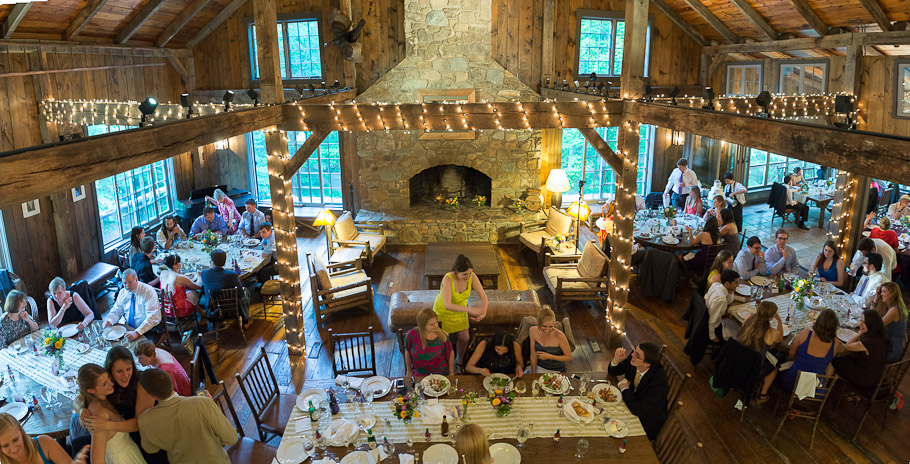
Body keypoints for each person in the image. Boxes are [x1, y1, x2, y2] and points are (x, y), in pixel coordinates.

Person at [80, 346, 164, 464]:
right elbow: (80, 395)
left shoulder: (142, 383)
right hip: (125, 440)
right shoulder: (107, 384)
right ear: (110, 371)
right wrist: (80, 409)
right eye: (119, 371)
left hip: (148, 438)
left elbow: (140, 423)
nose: (125, 375)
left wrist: (106, 425)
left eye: (128, 369)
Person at [137, 368, 236, 463]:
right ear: (171, 382)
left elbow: (150, 449)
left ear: (151, 395)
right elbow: (231, 438)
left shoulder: (144, 420)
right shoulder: (202, 403)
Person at [74, 363, 146, 464]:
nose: (111, 384)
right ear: (91, 390)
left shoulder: (98, 398)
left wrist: (80, 408)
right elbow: (97, 461)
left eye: (109, 378)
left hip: (129, 451)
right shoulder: (99, 417)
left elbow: (78, 398)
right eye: (104, 384)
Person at [433, 254, 488, 365]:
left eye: (470, 273)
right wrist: (470, 310)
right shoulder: (448, 278)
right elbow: (447, 304)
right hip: (443, 311)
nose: (468, 276)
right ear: (456, 271)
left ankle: (459, 360)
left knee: (465, 338)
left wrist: (484, 312)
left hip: (460, 310)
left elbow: (483, 296)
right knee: (443, 339)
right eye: (464, 274)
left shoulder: (472, 276)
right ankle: (443, 361)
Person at [608, 342, 668, 440]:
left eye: (637, 355)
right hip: (633, 401)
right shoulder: (635, 359)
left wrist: (624, 388)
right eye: (634, 351)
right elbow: (614, 371)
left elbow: (638, 409)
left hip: (646, 419)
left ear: (647, 364)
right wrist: (616, 360)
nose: (632, 354)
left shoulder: (659, 382)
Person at [777, 308, 839, 393]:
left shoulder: (805, 334)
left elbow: (791, 353)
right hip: (815, 389)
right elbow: (828, 362)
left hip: (793, 382)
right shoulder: (835, 343)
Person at [832, 310, 890, 395]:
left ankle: (826, 387)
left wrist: (859, 333)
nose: (860, 324)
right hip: (877, 373)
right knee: (847, 357)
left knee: (835, 360)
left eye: (864, 322)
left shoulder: (868, 342)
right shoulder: (880, 336)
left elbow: (847, 346)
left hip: (865, 379)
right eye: (861, 320)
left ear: (872, 324)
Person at [737, 302, 784, 404]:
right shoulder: (772, 333)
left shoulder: (749, 318)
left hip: (738, 359)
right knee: (775, 367)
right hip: (753, 368)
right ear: (771, 317)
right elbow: (780, 338)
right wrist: (779, 321)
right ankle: (762, 394)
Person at [0, 412, 90, 464]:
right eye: (5, 445)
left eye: (15, 439)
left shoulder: (44, 443)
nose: (13, 449)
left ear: (21, 432)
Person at [103, 269, 161, 342]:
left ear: (136, 279)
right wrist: (110, 320)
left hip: (149, 329)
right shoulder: (123, 292)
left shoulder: (148, 292)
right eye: (124, 283)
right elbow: (117, 310)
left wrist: (137, 332)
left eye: (130, 282)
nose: (127, 286)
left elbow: (153, 318)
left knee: (140, 350)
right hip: (129, 327)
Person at [200, 249, 250, 328]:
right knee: (245, 292)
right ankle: (245, 321)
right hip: (231, 308)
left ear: (212, 262)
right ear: (225, 261)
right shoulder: (232, 275)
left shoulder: (204, 273)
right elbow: (240, 294)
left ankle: (218, 322)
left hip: (214, 308)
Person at [404, 308, 454, 376]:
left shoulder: (442, 335)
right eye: (432, 324)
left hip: (440, 371)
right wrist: (409, 370)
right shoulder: (412, 335)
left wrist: (451, 371)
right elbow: (407, 351)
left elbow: (450, 352)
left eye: (436, 322)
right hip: (420, 372)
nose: (436, 326)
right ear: (423, 325)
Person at [159, 254, 205, 323]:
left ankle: (200, 311)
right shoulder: (179, 278)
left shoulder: (163, 273)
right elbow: (198, 286)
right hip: (179, 309)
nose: (181, 263)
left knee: (189, 292)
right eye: (179, 262)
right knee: (193, 292)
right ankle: (202, 313)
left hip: (166, 306)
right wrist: (200, 276)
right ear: (174, 265)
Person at [528, 307, 572, 373]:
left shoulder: (559, 335)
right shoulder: (532, 330)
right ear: (538, 323)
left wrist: (549, 356)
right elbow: (533, 354)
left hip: (556, 370)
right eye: (544, 326)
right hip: (539, 367)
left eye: (551, 326)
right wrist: (533, 374)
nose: (547, 330)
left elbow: (569, 357)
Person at [873, 282, 907, 363]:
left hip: (891, 349)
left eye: (884, 292)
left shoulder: (894, 310)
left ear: (892, 294)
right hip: (886, 342)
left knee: (864, 349)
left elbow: (877, 327)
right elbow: (871, 315)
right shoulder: (889, 306)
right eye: (881, 292)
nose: (881, 294)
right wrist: (876, 298)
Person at [705, 270, 739, 342]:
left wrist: (731, 291)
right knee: (740, 334)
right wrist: (713, 337)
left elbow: (729, 301)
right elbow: (712, 321)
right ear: (727, 284)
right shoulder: (721, 300)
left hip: (713, 318)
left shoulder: (716, 285)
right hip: (715, 326)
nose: (738, 285)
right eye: (735, 283)